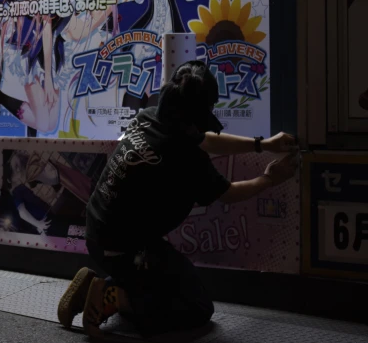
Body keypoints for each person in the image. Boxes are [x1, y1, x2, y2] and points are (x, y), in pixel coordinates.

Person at [56, 60, 298, 338]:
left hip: (100, 233)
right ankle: (112, 296)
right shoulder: (186, 160)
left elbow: (204, 140)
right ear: (194, 117)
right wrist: (271, 178)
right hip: (125, 249)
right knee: (197, 306)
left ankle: (95, 287)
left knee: (179, 281)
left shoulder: (147, 117)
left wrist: (261, 145)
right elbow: (228, 193)